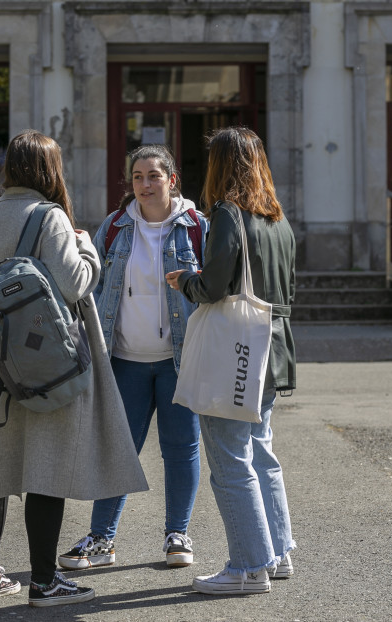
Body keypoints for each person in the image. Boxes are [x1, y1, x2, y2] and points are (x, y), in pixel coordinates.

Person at [0, 130, 148, 607]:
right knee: (46, 467)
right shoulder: (51, 218)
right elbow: (75, 283)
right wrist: (87, 248)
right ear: (49, 170)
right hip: (48, 365)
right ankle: (43, 582)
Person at [58, 144, 208, 571]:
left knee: (181, 449)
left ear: (171, 180)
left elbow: (215, 287)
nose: (145, 184)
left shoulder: (197, 227)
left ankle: (177, 533)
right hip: (124, 359)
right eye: (138, 176)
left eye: (154, 176)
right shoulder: (115, 227)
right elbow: (92, 282)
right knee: (118, 450)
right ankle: (103, 538)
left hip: (181, 360)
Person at [166, 126, 297, 595]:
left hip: (236, 351)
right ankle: (277, 555)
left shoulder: (227, 214)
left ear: (221, 164)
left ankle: (247, 566)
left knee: (229, 457)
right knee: (261, 450)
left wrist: (185, 281)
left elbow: (216, 286)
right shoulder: (278, 219)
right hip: (273, 347)